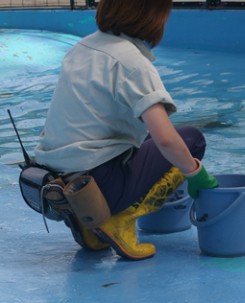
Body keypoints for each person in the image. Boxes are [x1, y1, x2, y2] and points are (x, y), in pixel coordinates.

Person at [34, 0, 218, 261]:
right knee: (190, 140)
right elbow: (165, 139)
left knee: (142, 144)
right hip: (99, 183)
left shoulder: (80, 47)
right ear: (152, 17)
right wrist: (195, 173)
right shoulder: (132, 62)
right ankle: (119, 220)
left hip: (57, 183)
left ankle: (89, 225)